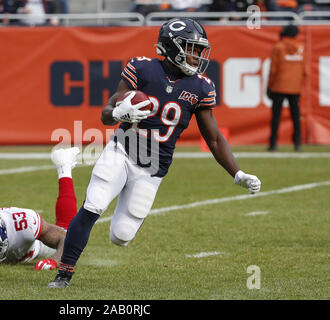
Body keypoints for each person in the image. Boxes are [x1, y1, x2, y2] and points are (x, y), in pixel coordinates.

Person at [48, 18, 262, 288]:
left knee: (121, 236)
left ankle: (92, 231)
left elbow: (215, 139)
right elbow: (105, 115)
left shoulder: (201, 86)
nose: (197, 56)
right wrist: (117, 112)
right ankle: (64, 274)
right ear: (173, 47)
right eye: (192, 48)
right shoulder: (142, 69)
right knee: (94, 205)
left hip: (153, 168)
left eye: (199, 49)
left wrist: (237, 173)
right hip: (122, 151)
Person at [266, 24, 305, 151]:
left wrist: (269, 86)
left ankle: (273, 144)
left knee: (276, 117)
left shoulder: (278, 47)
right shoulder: (301, 47)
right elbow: (305, 70)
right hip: (295, 88)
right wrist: (299, 84)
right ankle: (298, 143)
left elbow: (273, 70)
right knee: (296, 117)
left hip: (279, 86)